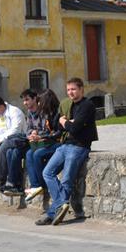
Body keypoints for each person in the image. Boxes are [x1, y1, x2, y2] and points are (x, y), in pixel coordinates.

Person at [36, 77, 97, 226]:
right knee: (47, 173)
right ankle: (62, 203)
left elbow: (74, 128)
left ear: (81, 89)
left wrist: (66, 122)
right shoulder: (68, 105)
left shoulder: (87, 106)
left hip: (79, 147)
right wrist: (67, 123)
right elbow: (57, 123)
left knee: (66, 180)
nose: (70, 92)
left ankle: (51, 214)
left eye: (74, 89)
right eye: (68, 89)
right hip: (64, 145)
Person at [22, 89, 63, 202]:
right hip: (46, 141)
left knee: (37, 154)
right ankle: (36, 186)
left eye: (41, 101)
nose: (39, 104)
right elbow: (32, 129)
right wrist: (33, 134)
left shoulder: (56, 112)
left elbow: (57, 133)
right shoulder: (44, 112)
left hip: (58, 142)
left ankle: (42, 185)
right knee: (29, 153)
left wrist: (40, 136)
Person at [1, 89, 39, 196]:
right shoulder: (30, 113)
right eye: (24, 100)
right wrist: (31, 133)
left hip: (38, 142)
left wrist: (35, 133)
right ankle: (16, 185)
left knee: (16, 152)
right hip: (30, 140)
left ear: (35, 98)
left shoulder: (40, 111)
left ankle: (13, 184)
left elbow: (43, 127)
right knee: (10, 152)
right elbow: (28, 129)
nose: (25, 103)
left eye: (27, 100)